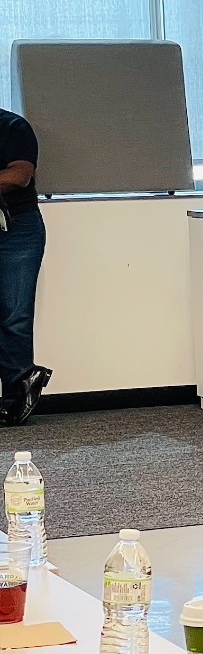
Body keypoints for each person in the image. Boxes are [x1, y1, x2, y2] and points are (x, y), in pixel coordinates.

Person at [0, 106, 52, 427]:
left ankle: (14, 401)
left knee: (14, 316)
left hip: (18, 229)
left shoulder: (13, 127)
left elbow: (20, 174)